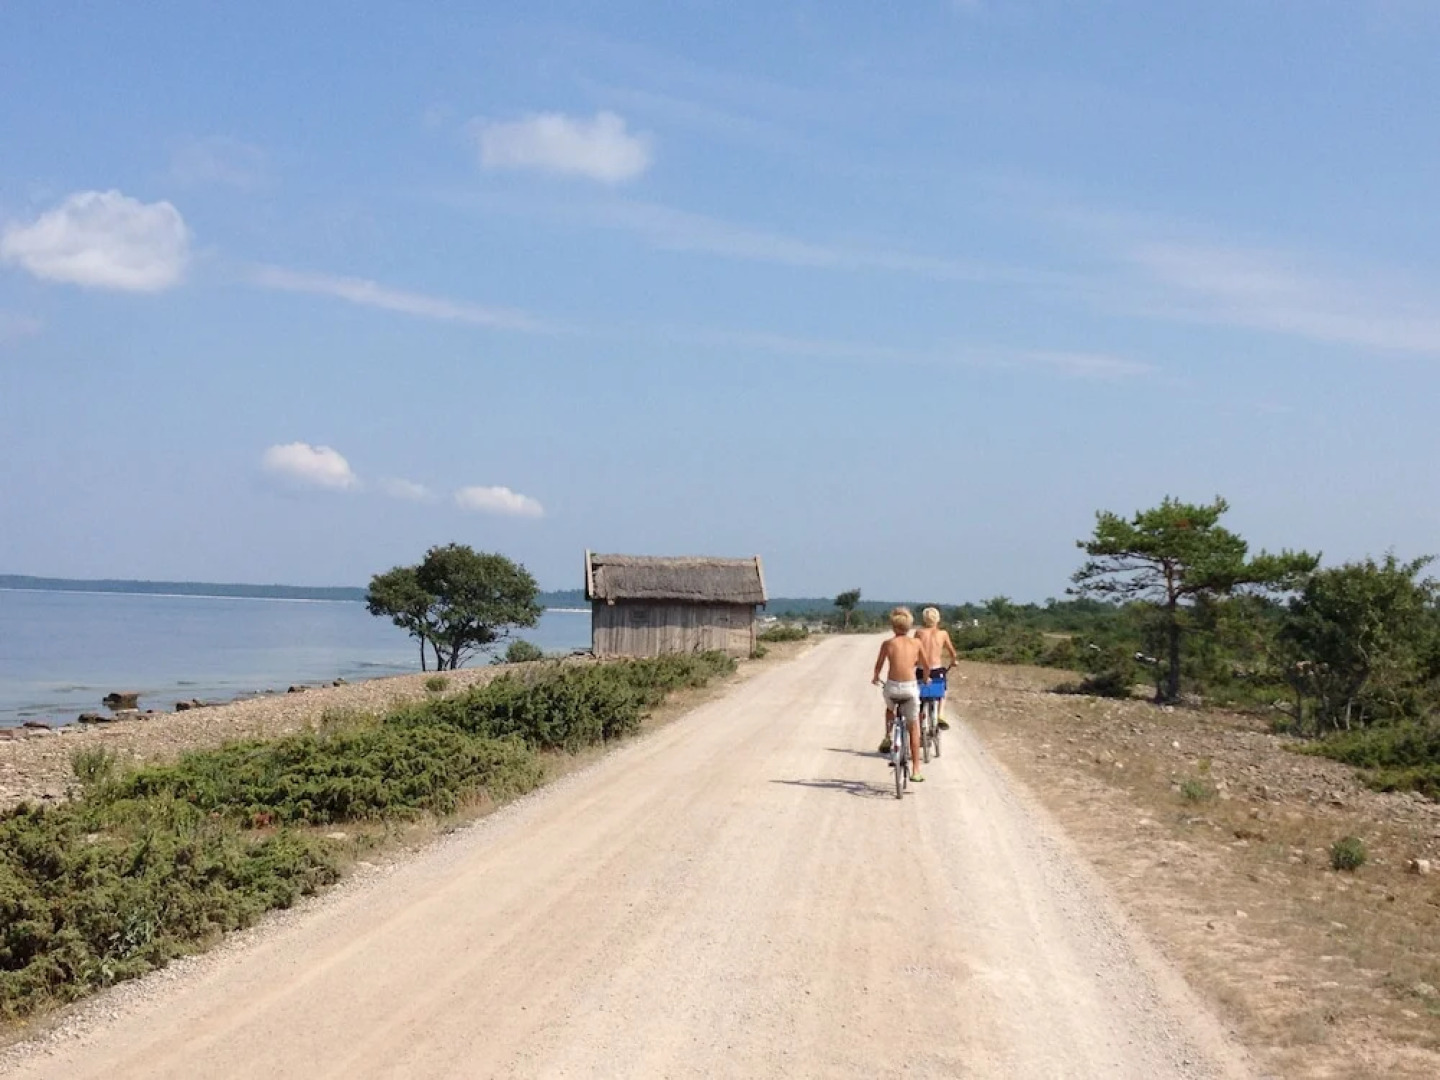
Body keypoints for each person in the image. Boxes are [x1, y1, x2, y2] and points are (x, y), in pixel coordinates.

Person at [871, 606, 929, 781]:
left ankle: (888, 736)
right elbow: (926, 665)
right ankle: (916, 770)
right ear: (909, 627)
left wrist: (875, 677)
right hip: (910, 688)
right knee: (913, 726)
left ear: (893, 627)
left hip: (892, 688)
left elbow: (878, 665)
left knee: (890, 709)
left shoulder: (887, 644)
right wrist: (926, 678)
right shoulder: (916, 643)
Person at [914, 607, 959, 729]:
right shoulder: (943, 634)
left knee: (918, 693)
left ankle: (919, 717)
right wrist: (953, 661)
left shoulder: (919, 633)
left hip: (921, 669)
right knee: (943, 690)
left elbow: (914, 650)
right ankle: (941, 714)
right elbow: (952, 652)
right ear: (938, 619)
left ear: (924, 619)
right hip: (936, 670)